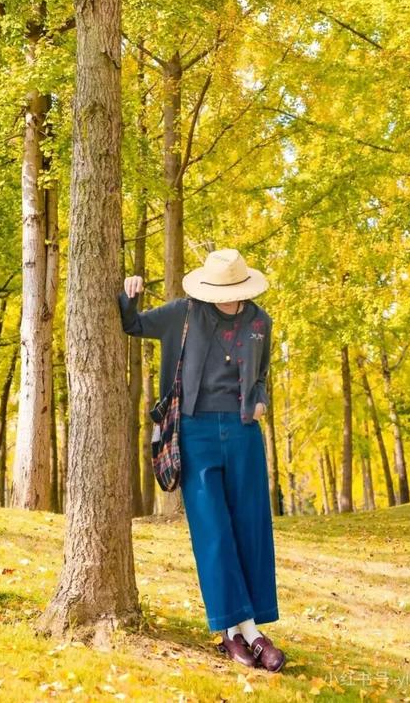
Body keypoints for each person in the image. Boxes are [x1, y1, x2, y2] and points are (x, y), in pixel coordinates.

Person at [118, 248, 286, 672]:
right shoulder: (185, 313)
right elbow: (133, 325)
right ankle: (250, 635)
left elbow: (261, 376)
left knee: (250, 530)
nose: (222, 298)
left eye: (229, 291)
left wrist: (260, 400)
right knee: (213, 533)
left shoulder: (260, 323)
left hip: (245, 433)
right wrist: (129, 294)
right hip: (195, 432)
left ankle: (235, 635)